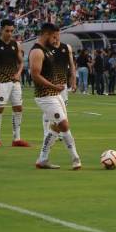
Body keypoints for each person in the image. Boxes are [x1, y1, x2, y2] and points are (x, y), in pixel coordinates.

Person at [31, 23, 82, 170]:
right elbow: (35, 75)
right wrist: (54, 86)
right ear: (46, 34)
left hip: (56, 93)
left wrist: (70, 79)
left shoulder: (49, 50)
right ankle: (75, 158)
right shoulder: (37, 51)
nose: (55, 40)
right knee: (64, 125)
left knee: (57, 127)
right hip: (45, 95)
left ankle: (42, 159)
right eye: (53, 36)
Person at [0, 19, 29, 148]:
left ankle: (16, 138)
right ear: (1, 30)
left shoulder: (16, 44)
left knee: (18, 108)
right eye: (7, 31)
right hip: (0, 81)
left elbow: (21, 62)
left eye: (12, 31)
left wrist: (18, 73)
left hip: (14, 82)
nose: (10, 33)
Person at [48, 36, 77, 138]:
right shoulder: (46, 48)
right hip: (50, 84)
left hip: (63, 85)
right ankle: (48, 133)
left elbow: (72, 65)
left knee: (63, 108)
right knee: (50, 109)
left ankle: (60, 133)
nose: (55, 38)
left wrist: (74, 81)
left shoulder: (66, 48)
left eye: (57, 35)